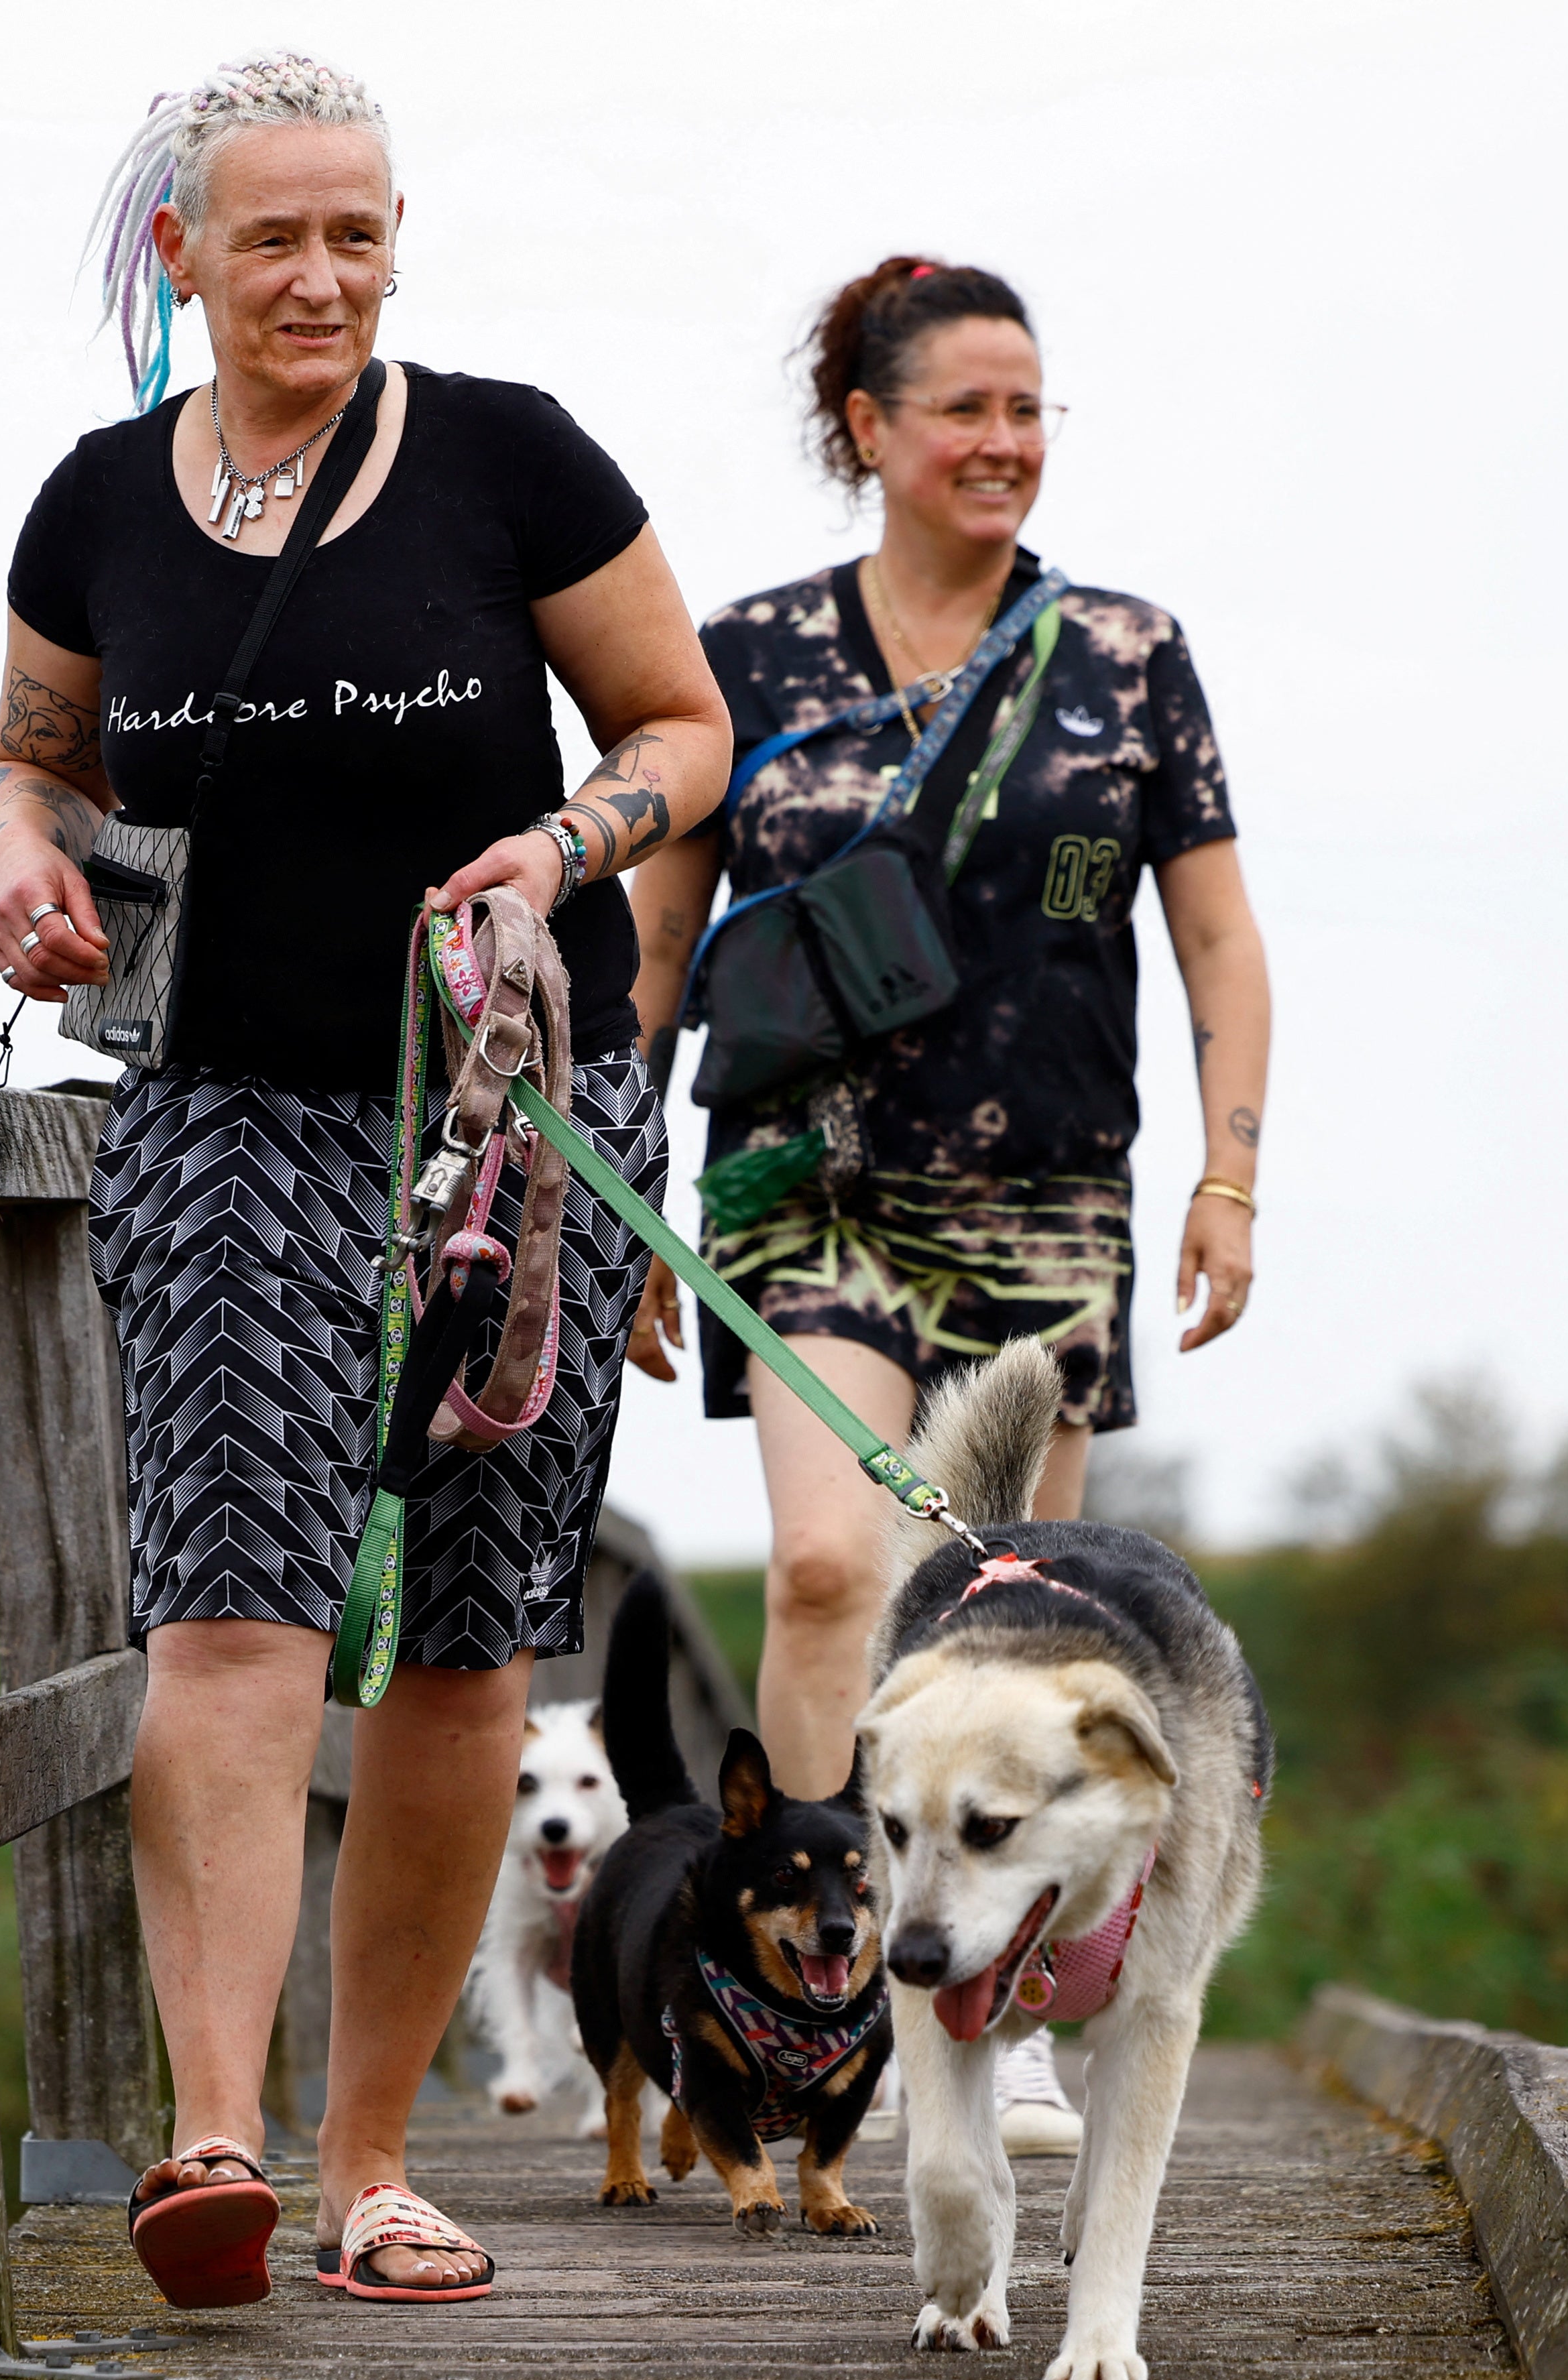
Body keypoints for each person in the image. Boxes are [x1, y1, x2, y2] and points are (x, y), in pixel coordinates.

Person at [0, 54, 730, 2302]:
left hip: (514, 1116)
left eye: (358, 231)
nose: (320, 274)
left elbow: (681, 733)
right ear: (179, 256)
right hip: (229, 1103)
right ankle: (209, 2131)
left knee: (474, 1641)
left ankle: (372, 2158)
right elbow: (31, 754)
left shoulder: (507, 457)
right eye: (274, 236)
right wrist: (19, 866)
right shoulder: (97, 502)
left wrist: (567, 838)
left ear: (397, 241)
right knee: (228, 1608)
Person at [624, 256, 1274, 2153]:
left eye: (1027, 408)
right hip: (791, 1180)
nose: (1003, 443)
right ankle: (811, 1978)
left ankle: (1027, 1996)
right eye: (964, 410)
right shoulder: (741, 658)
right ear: (867, 433)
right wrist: (621, 1195)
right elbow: (661, 939)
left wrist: (1230, 1169)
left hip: (1043, 1191)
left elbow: (1217, 936)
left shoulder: (1128, 656)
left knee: (1017, 1620)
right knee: (835, 1567)